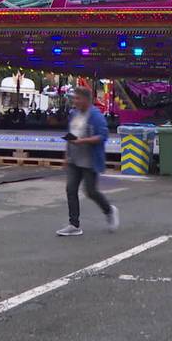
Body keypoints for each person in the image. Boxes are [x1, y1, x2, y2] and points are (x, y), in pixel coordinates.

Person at [57, 87, 119, 236]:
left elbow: (103, 136)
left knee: (90, 191)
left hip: (89, 160)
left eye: (78, 98)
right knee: (70, 189)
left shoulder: (96, 116)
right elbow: (70, 135)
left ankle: (109, 210)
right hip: (73, 159)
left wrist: (83, 141)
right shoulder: (74, 114)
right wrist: (66, 155)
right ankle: (74, 224)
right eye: (74, 98)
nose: (75, 101)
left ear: (86, 99)